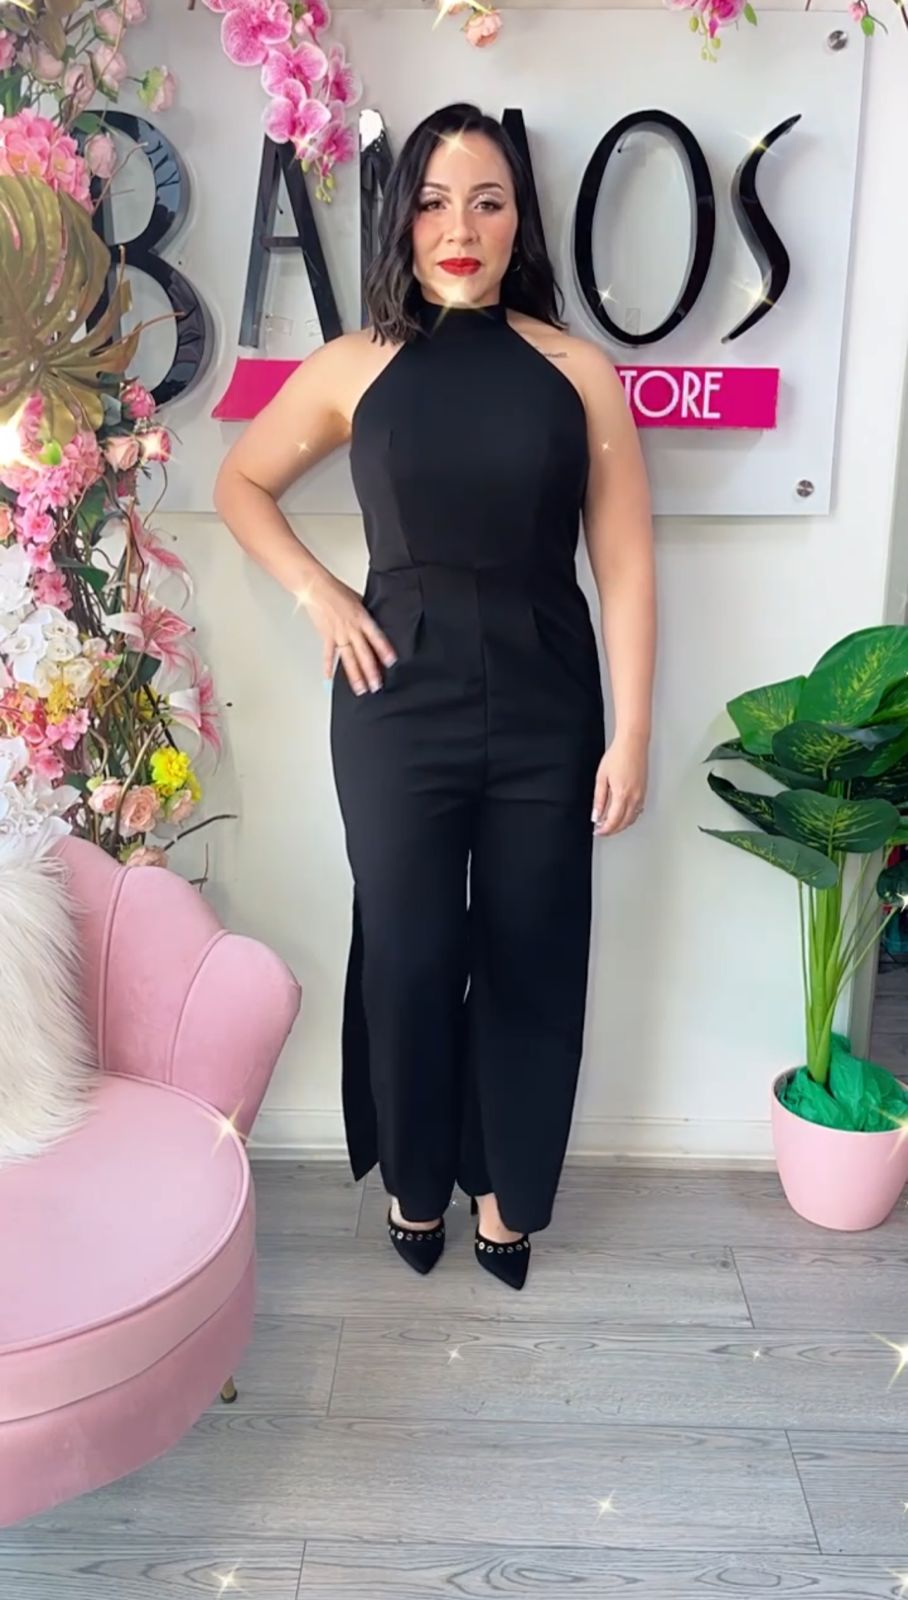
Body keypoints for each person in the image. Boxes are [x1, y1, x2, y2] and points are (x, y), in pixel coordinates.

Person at [215, 102, 656, 1290]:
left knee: (530, 946)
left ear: (519, 221)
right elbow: (241, 482)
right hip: (393, 695)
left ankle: (505, 1189)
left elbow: (621, 562)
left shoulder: (576, 372)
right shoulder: (353, 364)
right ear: (399, 219)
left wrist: (630, 731)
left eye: (486, 201)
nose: (458, 228)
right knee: (408, 949)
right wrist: (318, 592)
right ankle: (414, 1176)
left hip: (545, 697)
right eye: (432, 202)